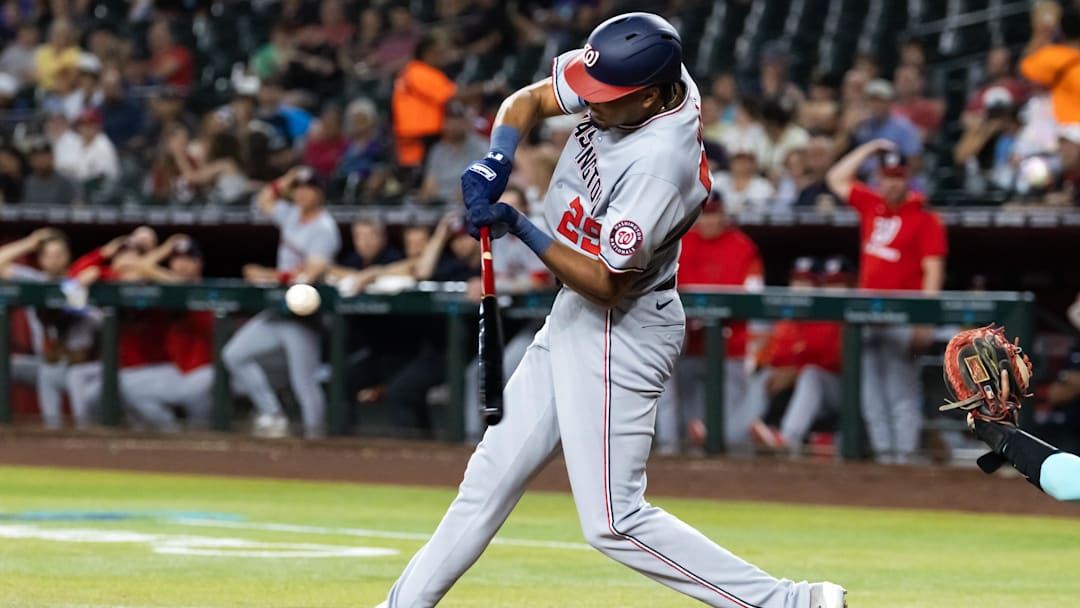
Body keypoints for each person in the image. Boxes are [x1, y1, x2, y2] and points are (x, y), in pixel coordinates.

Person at [379, 13, 847, 608]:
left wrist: (520, 224)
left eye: (605, 97)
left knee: (613, 520)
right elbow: (527, 101)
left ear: (649, 96)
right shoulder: (640, 74)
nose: (589, 103)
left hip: (622, 325)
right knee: (487, 479)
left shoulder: (661, 162)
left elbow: (606, 284)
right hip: (576, 311)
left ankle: (793, 602)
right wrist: (496, 159)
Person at [826, 140, 947, 464]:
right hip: (867, 313)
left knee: (901, 392)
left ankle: (903, 459)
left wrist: (925, 318)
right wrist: (869, 148)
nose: (892, 183)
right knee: (871, 395)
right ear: (879, 178)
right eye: (887, 177)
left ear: (907, 179)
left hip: (903, 315)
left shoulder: (925, 217)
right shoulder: (872, 203)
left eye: (898, 177)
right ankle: (884, 459)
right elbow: (836, 178)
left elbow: (932, 271)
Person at [223, 166, 341, 439]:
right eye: (298, 188)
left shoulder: (324, 228)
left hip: (305, 314)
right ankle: (273, 414)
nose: (302, 194)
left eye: (308, 188)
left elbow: (311, 273)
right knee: (234, 355)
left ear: (320, 193)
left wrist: (267, 275)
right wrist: (287, 178)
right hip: (279, 309)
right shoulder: (291, 215)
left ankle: (316, 439)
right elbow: (263, 200)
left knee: (304, 383)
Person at [656, 193, 763, 453]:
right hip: (689, 346)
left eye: (714, 214)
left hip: (730, 347)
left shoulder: (743, 246)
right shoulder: (682, 243)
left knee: (730, 432)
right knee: (690, 423)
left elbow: (753, 297)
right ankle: (674, 449)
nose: (709, 220)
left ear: (724, 215)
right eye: (704, 214)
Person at [748, 257, 846, 453]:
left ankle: (787, 438)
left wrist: (795, 371)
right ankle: (737, 433)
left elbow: (835, 360)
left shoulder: (832, 316)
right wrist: (784, 371)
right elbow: (778, 356)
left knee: (811, 375)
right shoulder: (789, 318)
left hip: (840, 390)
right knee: (764, 375)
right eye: (797, 280)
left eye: (807, 281)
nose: (801, 286)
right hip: (800, 389)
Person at [0, 228, 95, 430]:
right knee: (32, 369)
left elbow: (92, 319)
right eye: (49, 255)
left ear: (68, 256)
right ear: (41, 260)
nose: (54, 260)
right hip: (45, 363)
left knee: (81, 409)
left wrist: (77, 287)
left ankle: (86, 435)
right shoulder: (36, 281)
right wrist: (29, 243)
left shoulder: (78, 281)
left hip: (78, 365)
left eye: (59, 254)